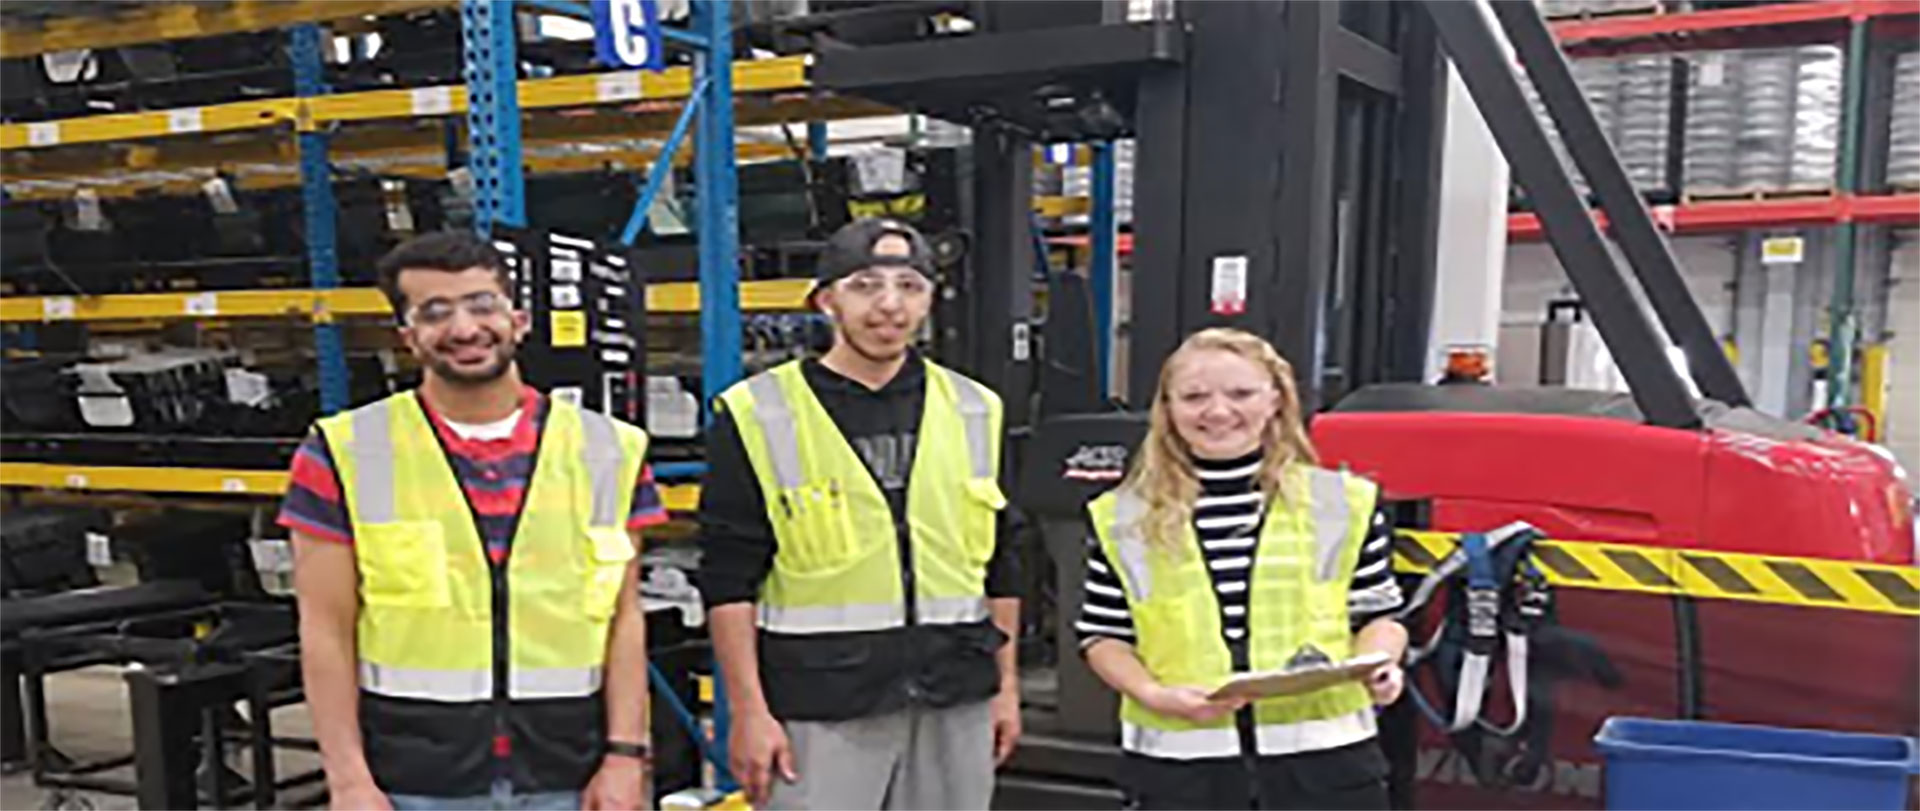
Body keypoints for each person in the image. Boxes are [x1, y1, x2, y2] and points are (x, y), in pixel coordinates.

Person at [283, 231, 665, 811]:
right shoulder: (343, 451)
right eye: (435, 313)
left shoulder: (608, 449)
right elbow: (325, 632)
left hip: (570, 773)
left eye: (481, 305)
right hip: (413, 779)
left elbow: (624, 616)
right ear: (408, 337)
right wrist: (348, 780)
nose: (464, 329)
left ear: (518, 318)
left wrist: (626, 755)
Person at [698, 218, 1022, 810]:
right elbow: (727, 580)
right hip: (821, 702)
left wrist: (1007, 689)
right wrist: (748, 711)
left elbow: (1001, 562)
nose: (889, 305)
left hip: (955, 694)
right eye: (866, 285)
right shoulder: (758, 414)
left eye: (910, 285)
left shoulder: (977, 409)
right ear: (827, 301)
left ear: (929, 299)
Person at [1075, 327, 1409, 810]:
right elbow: (1103, 635)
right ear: (1166, 409)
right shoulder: (1124, 515)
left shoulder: (1341, 502)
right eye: (1193, 396)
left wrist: (1381, 666)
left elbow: (1379, 614)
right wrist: (1154, 694)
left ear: (1275, 399)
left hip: (1326, 768)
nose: (1217, 412)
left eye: (1240, 394)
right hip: (1184, 771)